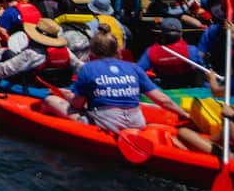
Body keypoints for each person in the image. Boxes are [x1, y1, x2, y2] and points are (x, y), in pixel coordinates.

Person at [43, 26, 191, 132]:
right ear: (116, 50)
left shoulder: (88, 69)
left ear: (92, 52)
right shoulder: (134, 68)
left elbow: (77, 104)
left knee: (51, 100)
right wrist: (185, 115)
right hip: (137, 123)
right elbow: (163, 100)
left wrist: (67, 96)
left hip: (107, 124)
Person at [0, 17, 79, 90]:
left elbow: (5, 69)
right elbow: (79, 67)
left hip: (35, 86)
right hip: (60, 85)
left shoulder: (32, 54)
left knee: (8, 54)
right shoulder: (66, 51)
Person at [136, 17, 201, 89]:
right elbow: (203, 72)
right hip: (188, 90)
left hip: (163, 91)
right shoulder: (192, 50)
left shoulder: (151, 52)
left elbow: (137, 72)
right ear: (181, 34)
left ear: (161, 34)